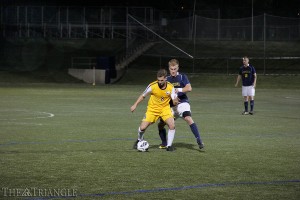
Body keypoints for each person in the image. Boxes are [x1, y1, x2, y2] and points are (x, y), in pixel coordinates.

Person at [157, 59, 204, 150]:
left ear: (178, 68)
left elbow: (189, 88)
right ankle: (164, 142)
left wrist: (178, 90)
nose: (173, 71)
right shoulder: (167, 80)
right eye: (171, 69)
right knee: (161, 124)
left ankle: (199, 139)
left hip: (182, 103)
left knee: (188, 118)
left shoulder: (182, 77)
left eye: (175, 69)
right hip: (171, 106)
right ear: (169, 69)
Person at [131, 69, 178, 151]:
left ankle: (169, 146)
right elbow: (143, 95)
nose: (160, 82)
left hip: (165, 109)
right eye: (158, 80)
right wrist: (135, 105)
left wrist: (175, 101)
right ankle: (139, 140)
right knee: (142, 128)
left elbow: (174, 98)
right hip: (152, 109)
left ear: (166, 78)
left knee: (172, 125)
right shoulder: (152, 86)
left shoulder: (171, 87)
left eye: (162, 80)